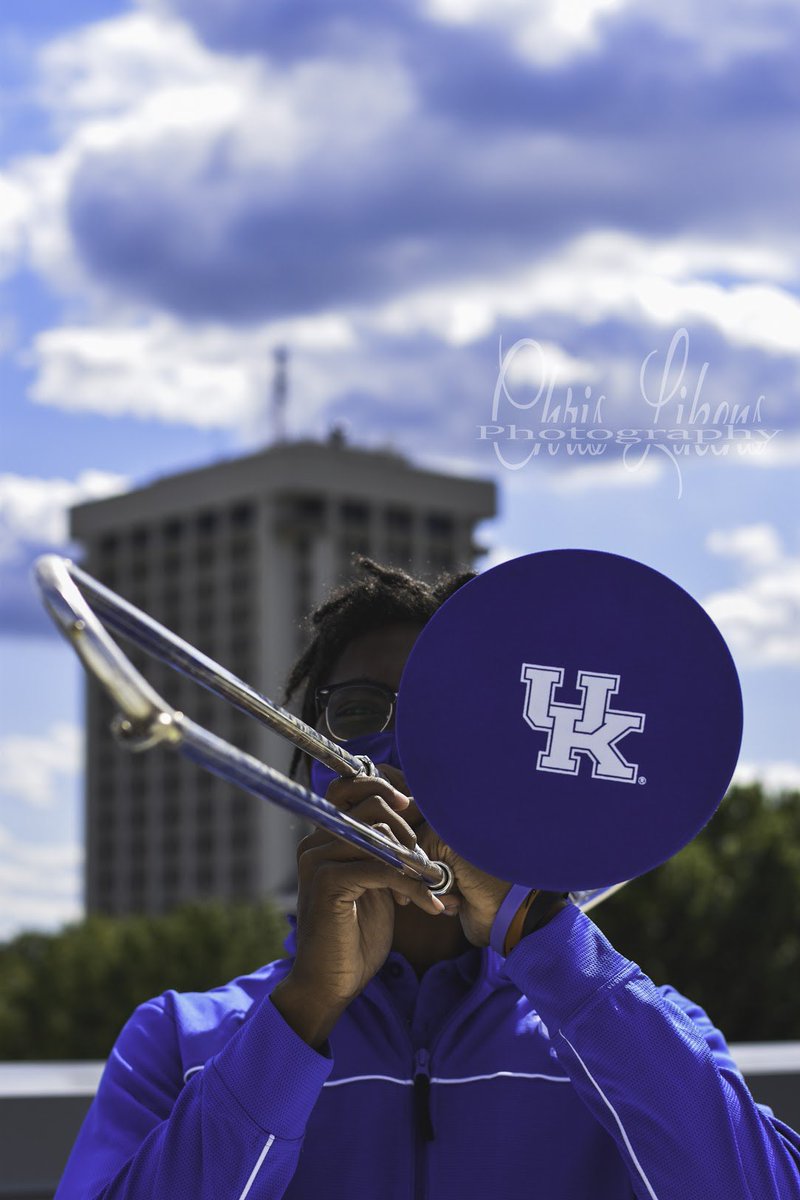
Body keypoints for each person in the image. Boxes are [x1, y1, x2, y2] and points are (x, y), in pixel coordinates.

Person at [55, 559, 800, 1200]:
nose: (401, 749)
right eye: (355, 712)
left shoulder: (631, 1023)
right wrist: (302, 1014)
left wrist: (546, 943)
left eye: (452, 714)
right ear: (309, 757)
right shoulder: (182, 1039)